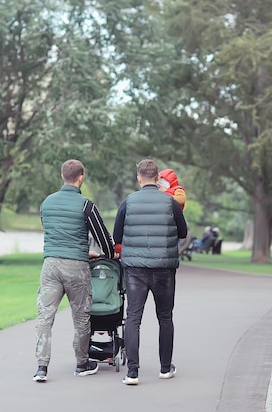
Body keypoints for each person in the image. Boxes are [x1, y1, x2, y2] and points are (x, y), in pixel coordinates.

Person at [34, 159, 116, 383]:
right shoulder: (86, 205)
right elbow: (103, 239)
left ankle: (41, 367)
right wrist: (108, 254)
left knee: (44, 316)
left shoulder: (47, 203)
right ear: (81, 178)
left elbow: (51, 230)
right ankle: (82, 363)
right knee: (81, 317)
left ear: (63, 176)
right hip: (76, 267)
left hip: (50, 265)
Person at [113, 159, 188, 385]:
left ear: (139, 179)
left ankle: (132, 372)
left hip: (135, 270)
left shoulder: (128, 202)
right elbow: (183, 232)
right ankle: (165, 368)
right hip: (164, 268)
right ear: (158, 179)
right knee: (165, 317)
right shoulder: (170, 202)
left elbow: (117, 237)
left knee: (134, 318)